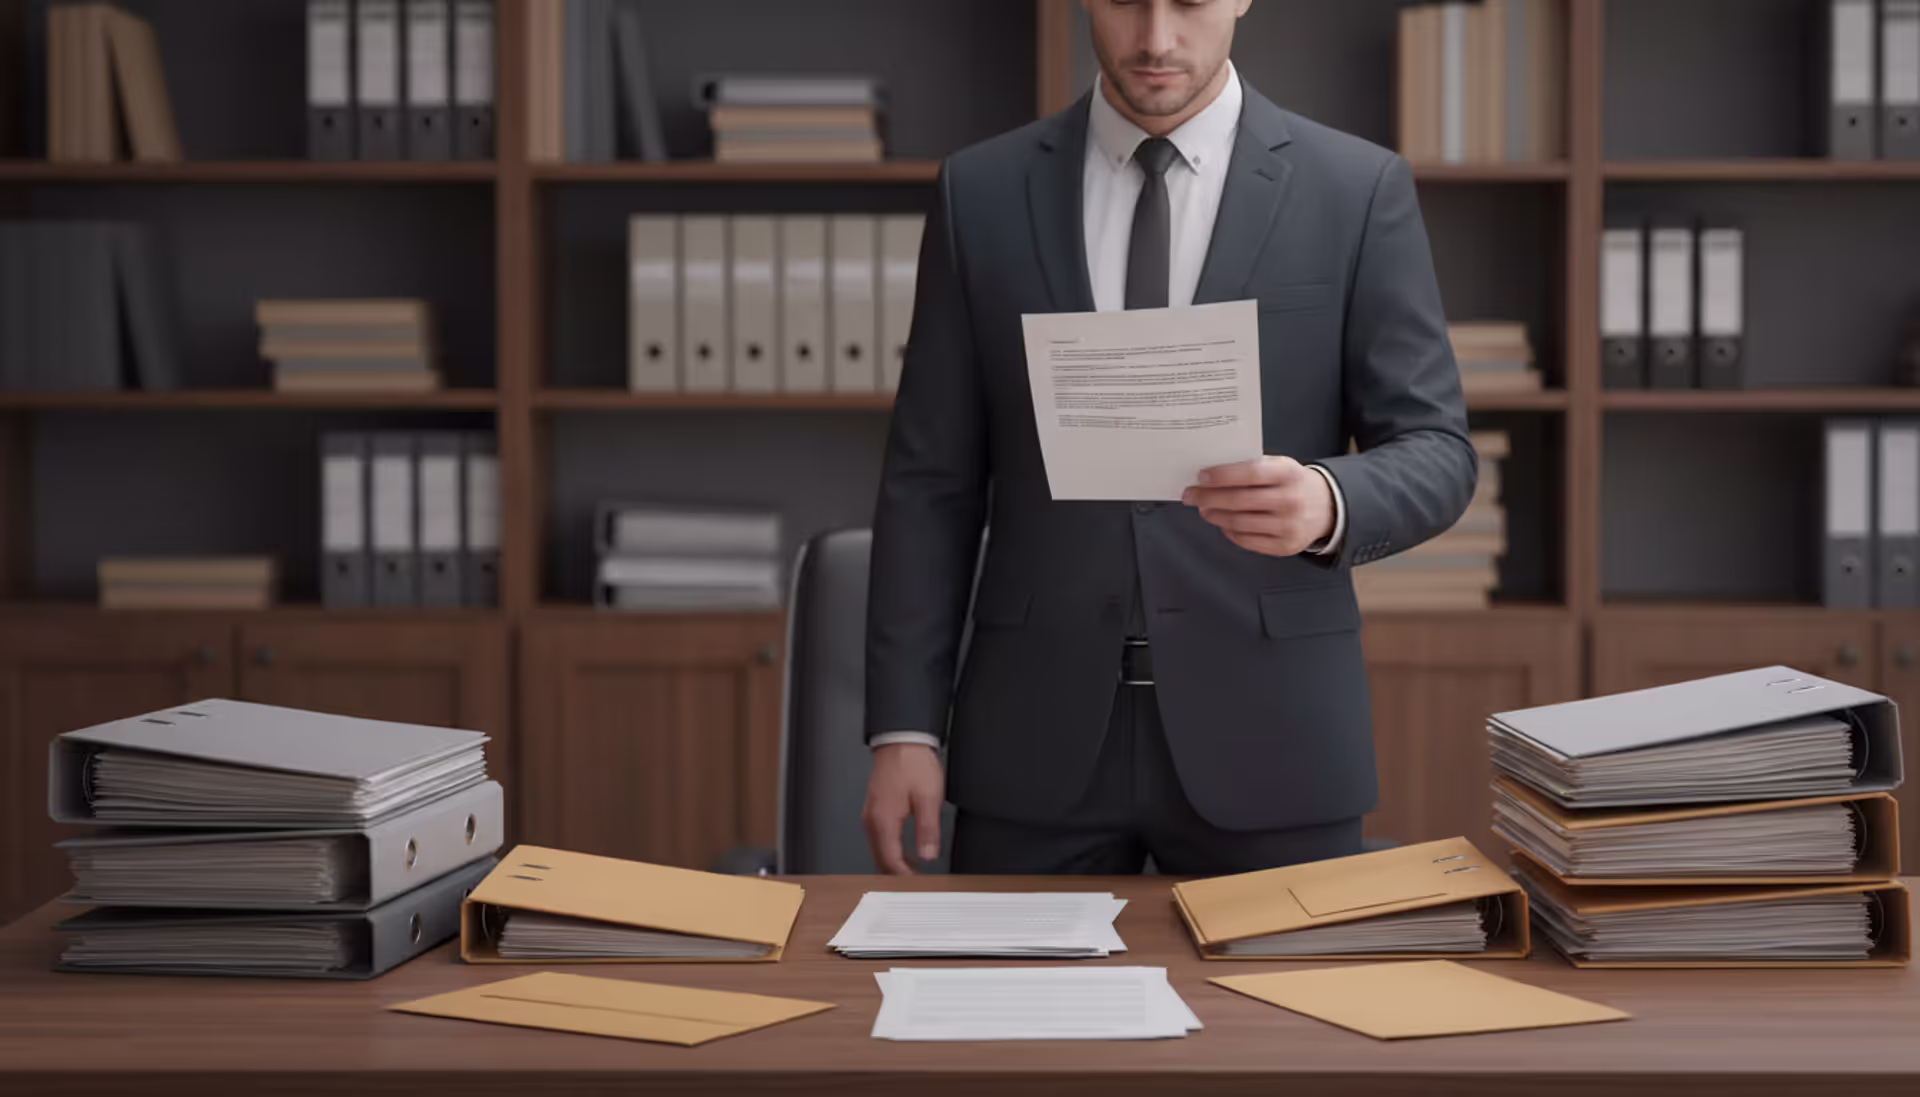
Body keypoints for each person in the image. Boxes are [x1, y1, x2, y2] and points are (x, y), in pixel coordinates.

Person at [861, 0, 1476, 875]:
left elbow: (1438, 450)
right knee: (1013, 1018)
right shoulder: (981, 192)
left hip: (1275, 740)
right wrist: (905, 728)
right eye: (1126, 2)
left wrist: (1328, 500)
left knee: (1281, 1018)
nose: (1155, 39)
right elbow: (930, 483)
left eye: (1187, 2)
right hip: (1033, 745)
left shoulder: (1356, 188)